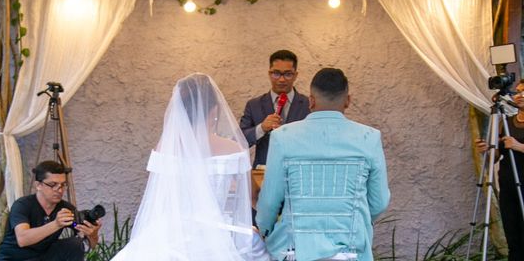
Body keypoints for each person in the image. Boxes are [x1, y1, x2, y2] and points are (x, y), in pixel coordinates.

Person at [111, 73, 269, 261]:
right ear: (215, 111)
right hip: (217, 230)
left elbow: (158, 194)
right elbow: (250, 199)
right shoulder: (232, 149)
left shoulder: (165, 148)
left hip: (170, 232)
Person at [256, 68, 390, 261]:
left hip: (295, 250)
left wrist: (264, 228)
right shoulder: (369, 137)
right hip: (350, 250)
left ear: (311, 101)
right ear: (348, 101)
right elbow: (379, 201)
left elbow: (269, 200)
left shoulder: (283, 137)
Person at [0, 160, 100, 261]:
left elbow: (90, 243)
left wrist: (92, 233)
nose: (59, 190)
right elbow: (23, 239)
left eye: (63, 185)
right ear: (38, 185)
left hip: (42, 256)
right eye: (53, 185)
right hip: (14, 258)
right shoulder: (23, 205)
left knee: (75, 244)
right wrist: (56, 224)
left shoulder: (66, 209)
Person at [475, 79, 524, 261]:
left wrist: (519, 146)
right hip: (509, 184)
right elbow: (497, 156)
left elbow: (515, 147)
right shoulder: (507, 121)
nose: (519, 95)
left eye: (523, 92)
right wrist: (489, 150)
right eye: (517, 92)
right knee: (513, 236)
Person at [240, 50, 310, 167]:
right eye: (276, 73)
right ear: (269, 73)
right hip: (263, 172)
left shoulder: (308, 104)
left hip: (298, 171)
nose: (281, 80)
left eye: (288, 74)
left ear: (295, 75)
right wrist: (261, 128)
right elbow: (240, 141)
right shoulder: (254, 105)